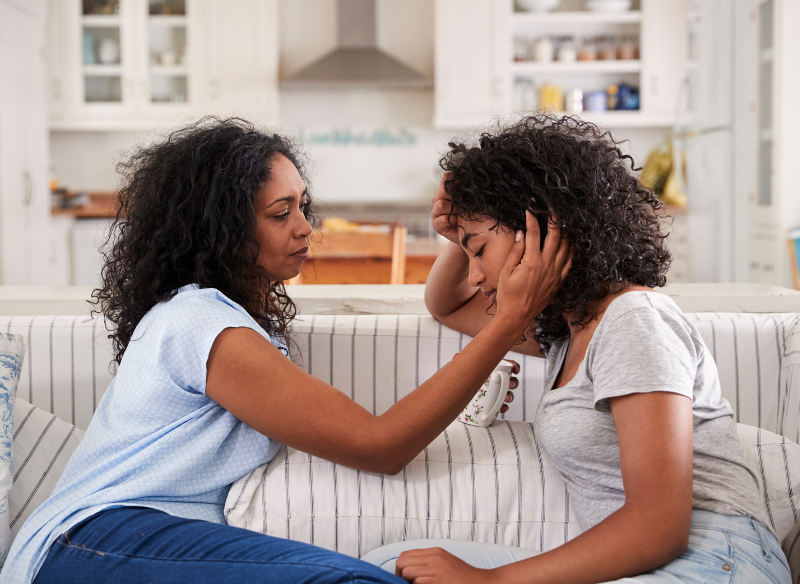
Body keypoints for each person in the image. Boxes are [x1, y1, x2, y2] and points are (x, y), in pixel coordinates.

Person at [1, 118, 571, 584]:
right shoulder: (202, 325)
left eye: (303, 206)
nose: (305, 228)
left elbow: (443, 306)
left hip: (138, 542)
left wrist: (456, 247)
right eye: (281, 214)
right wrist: (507, 325)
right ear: (220, 228)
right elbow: (380, 445)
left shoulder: (232, 322)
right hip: (94, 542)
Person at [362, 115, 791, 584]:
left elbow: (660, 527)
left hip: (714, 559)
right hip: (657, 564)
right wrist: (461, 236)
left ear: (543, 228)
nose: (475, 277)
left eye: (480, 251)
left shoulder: (634, 320)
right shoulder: (567, 334)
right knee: (394, 566)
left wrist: (492, 581)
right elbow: (445, 305)